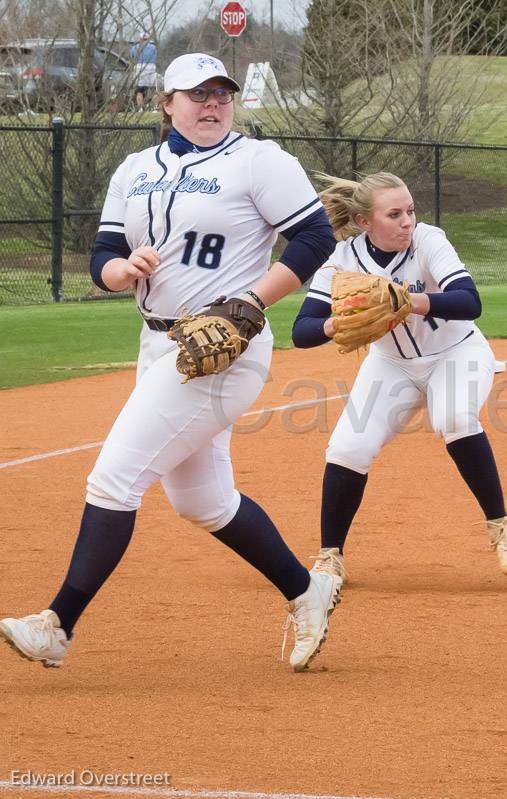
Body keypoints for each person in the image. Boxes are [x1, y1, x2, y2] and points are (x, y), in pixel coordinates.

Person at [0, 53, 341, 672]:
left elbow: (316, 238)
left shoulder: (259, 161)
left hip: (224, 349)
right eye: (197, 94)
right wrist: (120, 270)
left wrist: (248, 300)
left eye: (221, 94)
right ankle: (306, 589)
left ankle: (58, 626)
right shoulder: (135, 169)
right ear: (167, 103)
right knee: (203, 502)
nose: (211, 105)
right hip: (159, 343)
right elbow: (103, 252)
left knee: (114, 478)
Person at [291, 172, 507, 583]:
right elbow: (302, 331)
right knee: (348, 446)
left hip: (457, 352)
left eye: (411, 210)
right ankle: (330, 556)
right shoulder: (343, 259)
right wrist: (336, 323)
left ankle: (500, 526)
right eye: (395, 214)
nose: (407, 221)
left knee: (453, 418)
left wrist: (408, 301)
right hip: (391, 364)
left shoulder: (428, 240)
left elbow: (470, 302)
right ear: (365, 222)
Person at [130, 33, 157, 112]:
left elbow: (132, 58)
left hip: (139, 68)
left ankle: (140, 108)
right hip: (151, 67)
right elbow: (155, 57)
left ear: (140, 39)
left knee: (139, 90)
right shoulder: (153, 47)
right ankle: (155, 108)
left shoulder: (134, 48)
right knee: (153, 89)